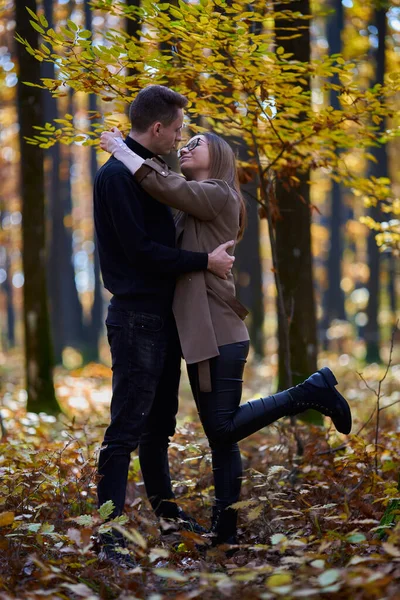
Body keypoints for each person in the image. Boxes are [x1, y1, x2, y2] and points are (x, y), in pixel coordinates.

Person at [100, 123, 352, 550]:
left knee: (221, 426)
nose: (185, 146)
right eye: (185, 140)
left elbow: (168, 187)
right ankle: (225, 532)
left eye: (195, 143)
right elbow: (168, 200)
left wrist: (122, 150)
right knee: (222, 436)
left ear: (217, 158)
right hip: (201, 332)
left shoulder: (219, 193)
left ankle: (309, 392)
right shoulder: (193, 203)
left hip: (219, 331)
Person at [94, 85, 237, 565]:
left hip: (160, 318)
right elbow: (141, 252)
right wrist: (204, 261)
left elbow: (176, 194)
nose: (180, 139)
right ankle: (109, 537)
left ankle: (171, 520)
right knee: (126, 430)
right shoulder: (117, 177)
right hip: (136, 318)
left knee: (159, 428)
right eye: (177, 131)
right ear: (157, 129)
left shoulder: (150, 173)